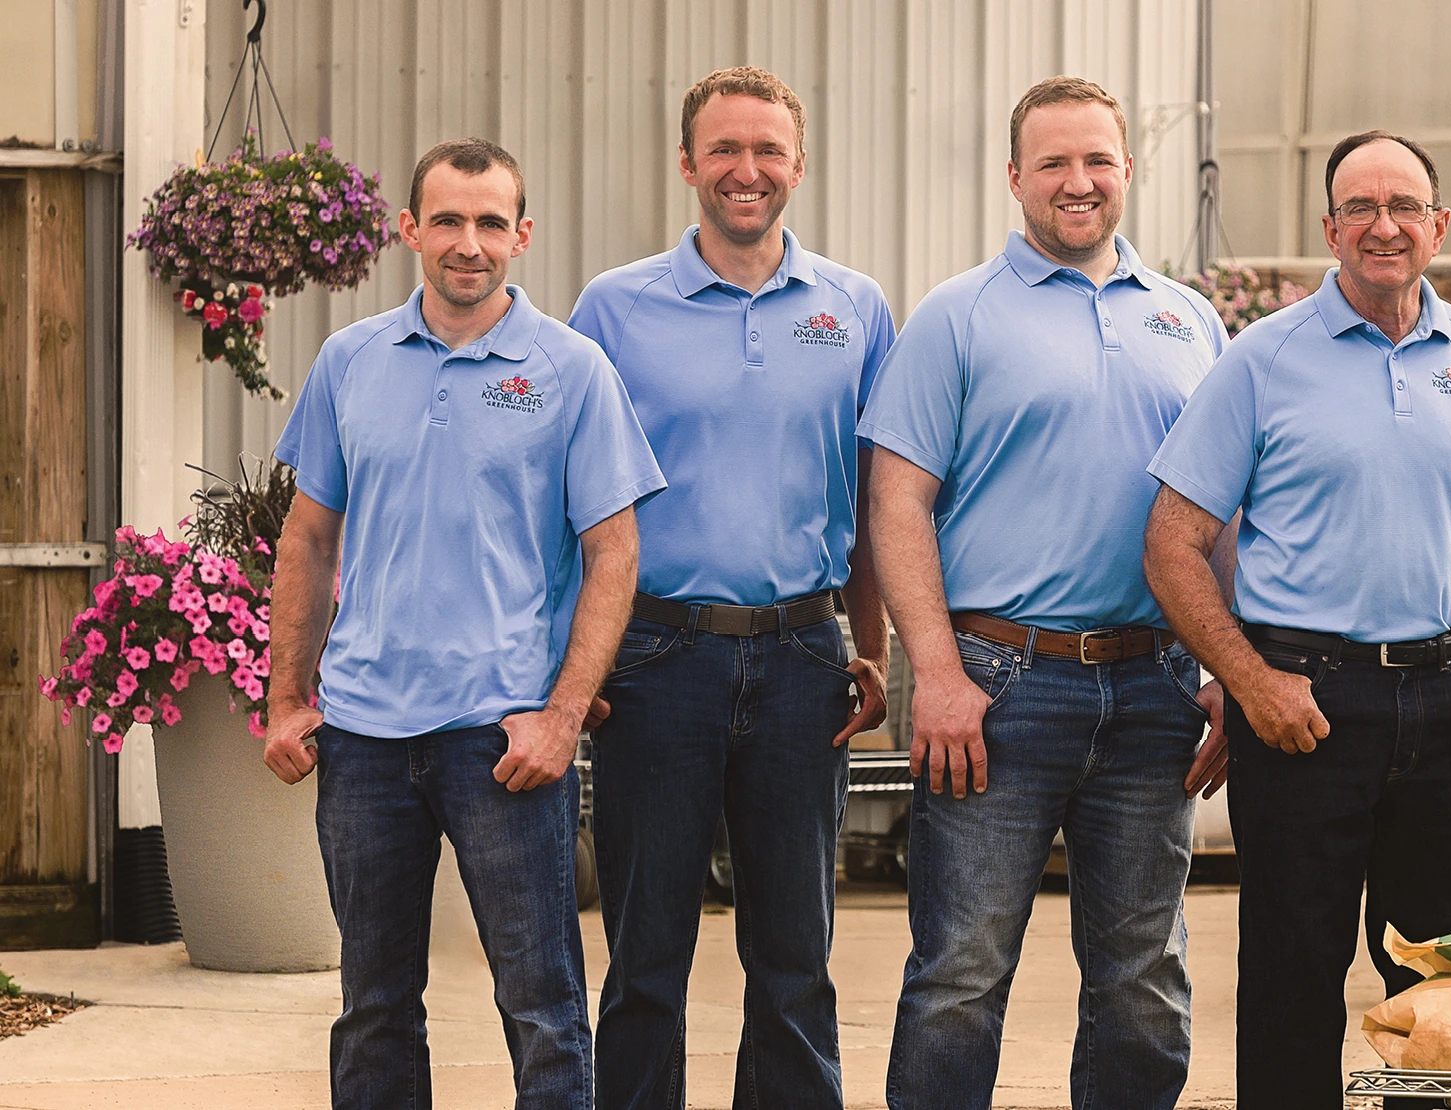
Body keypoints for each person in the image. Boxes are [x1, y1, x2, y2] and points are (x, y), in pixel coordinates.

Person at [1142, 129, 1451, 1110]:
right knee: (1293, 984)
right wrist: (1250, 683)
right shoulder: (1262, 361)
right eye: (1362, 209)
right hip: (1305, 708)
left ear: (1438, 225)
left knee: (1442, 988)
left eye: (1405, 207)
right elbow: (1172, 540)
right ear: (1329, 228)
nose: (1385, 226)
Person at [263, 138, 665, 1110]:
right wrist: (285, 700)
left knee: (541, 1008)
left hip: (501, 739)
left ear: (522, 234)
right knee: (374, 1007)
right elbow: (308, 539)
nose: (468, 242)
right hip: (362, 739)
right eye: (447, 219)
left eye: (491, 222)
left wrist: (562, 716)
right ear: (410, 229)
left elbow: (615, 552)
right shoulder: (349, 361)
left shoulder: (571, 370)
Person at [861, 75, 1227, 1110]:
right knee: (960, 973)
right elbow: (896, 503)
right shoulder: (956, 316)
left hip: (1154, 686)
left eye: (1097, 160)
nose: (1079, 182)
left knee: (1144, 978)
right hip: (995, 687)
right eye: (1055, 163)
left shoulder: (1189, 322)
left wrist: (1229, 670)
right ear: (1016, 177)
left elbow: (1228, 519)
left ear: (1125, 169)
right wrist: (932, 673)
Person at [567, 66, 894, 1110]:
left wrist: (872, 649)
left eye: (766, 151)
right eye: (723, 149)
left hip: (804, 659)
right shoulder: (613, 311)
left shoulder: (855, 309)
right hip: (657, 658)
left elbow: (878, 500)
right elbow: (573, 508)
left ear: (797, 165)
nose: (745, 171)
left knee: (795, 958)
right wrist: (575, 671)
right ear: (687, 164)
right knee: (646, 960)